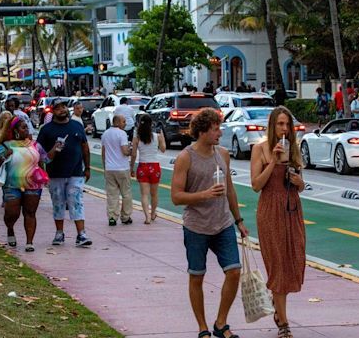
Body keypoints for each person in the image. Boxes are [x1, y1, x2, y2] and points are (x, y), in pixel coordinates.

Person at [171, 108, 248, 338]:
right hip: (196, 226)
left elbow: (230, 190)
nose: (220, 133)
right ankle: (202, 327)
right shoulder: (186, 157)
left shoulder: (222, 154)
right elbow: (176, 196)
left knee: (234, 272)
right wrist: (204, 195)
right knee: (197, 275)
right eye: (215, 129)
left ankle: (220, 323)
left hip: (223, 223)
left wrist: (239, 220)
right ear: (203, 132)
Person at [250, 106, 305, 338]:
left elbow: (301, 185)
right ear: (272, 126)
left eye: (287, 125)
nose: (284, 129)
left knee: (294, 262)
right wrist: (272, 161)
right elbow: (256, 185)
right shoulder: (260, 149)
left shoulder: (294, 149)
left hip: (292, 210)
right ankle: (283, 323)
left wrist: (298, 182)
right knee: (278, 265)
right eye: (280, 124)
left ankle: (277, 300)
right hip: (270, 210)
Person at [0, 116, 60, 252]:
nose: (26, 130)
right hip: (12, 185)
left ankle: (29, 242)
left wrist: (55, 149)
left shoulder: (35, 145)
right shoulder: (6, 145)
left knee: (30, 213)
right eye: (23, 127)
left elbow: (45, 159)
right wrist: (5, 155)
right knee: (12, 213)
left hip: (33, 184)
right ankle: (10, 229)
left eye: (27, 127)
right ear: (15, 130)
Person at [37, 98, 92, 247]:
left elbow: (85, 147)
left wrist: (87, 167)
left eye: (64, 107)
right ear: (52, 111)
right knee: (58, 203)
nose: (62, 110)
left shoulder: (76, 126)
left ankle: (81, 234)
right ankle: (59, 233)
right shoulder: (46, 130)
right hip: (55, 173)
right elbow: (39, 154)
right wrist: (43, 172)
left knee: (76, 201)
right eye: (58, 108)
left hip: (75, 172)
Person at [130, 114, 166, 224]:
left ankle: (147, 217)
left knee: (144, 194)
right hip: (154, 167)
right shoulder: (157, 136)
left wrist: (131, 167)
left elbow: (134, 154)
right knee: (154, 194)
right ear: (151, 124)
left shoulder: (137, 138)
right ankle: (153, 213)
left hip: (143, 166)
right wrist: (162, 136)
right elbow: (163, 149)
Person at [101, 114, 133, 226]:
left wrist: (105, 167)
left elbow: (103, 152)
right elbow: (125, 151)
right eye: (124, 122)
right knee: (126, 193)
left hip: (110, 168)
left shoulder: (105, 134)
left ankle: (112, 217)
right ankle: (125, 216)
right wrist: (130, 150)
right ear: (118, 122)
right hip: (122, 167)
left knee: (112, 194)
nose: (125, 124)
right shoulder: (122, 134)